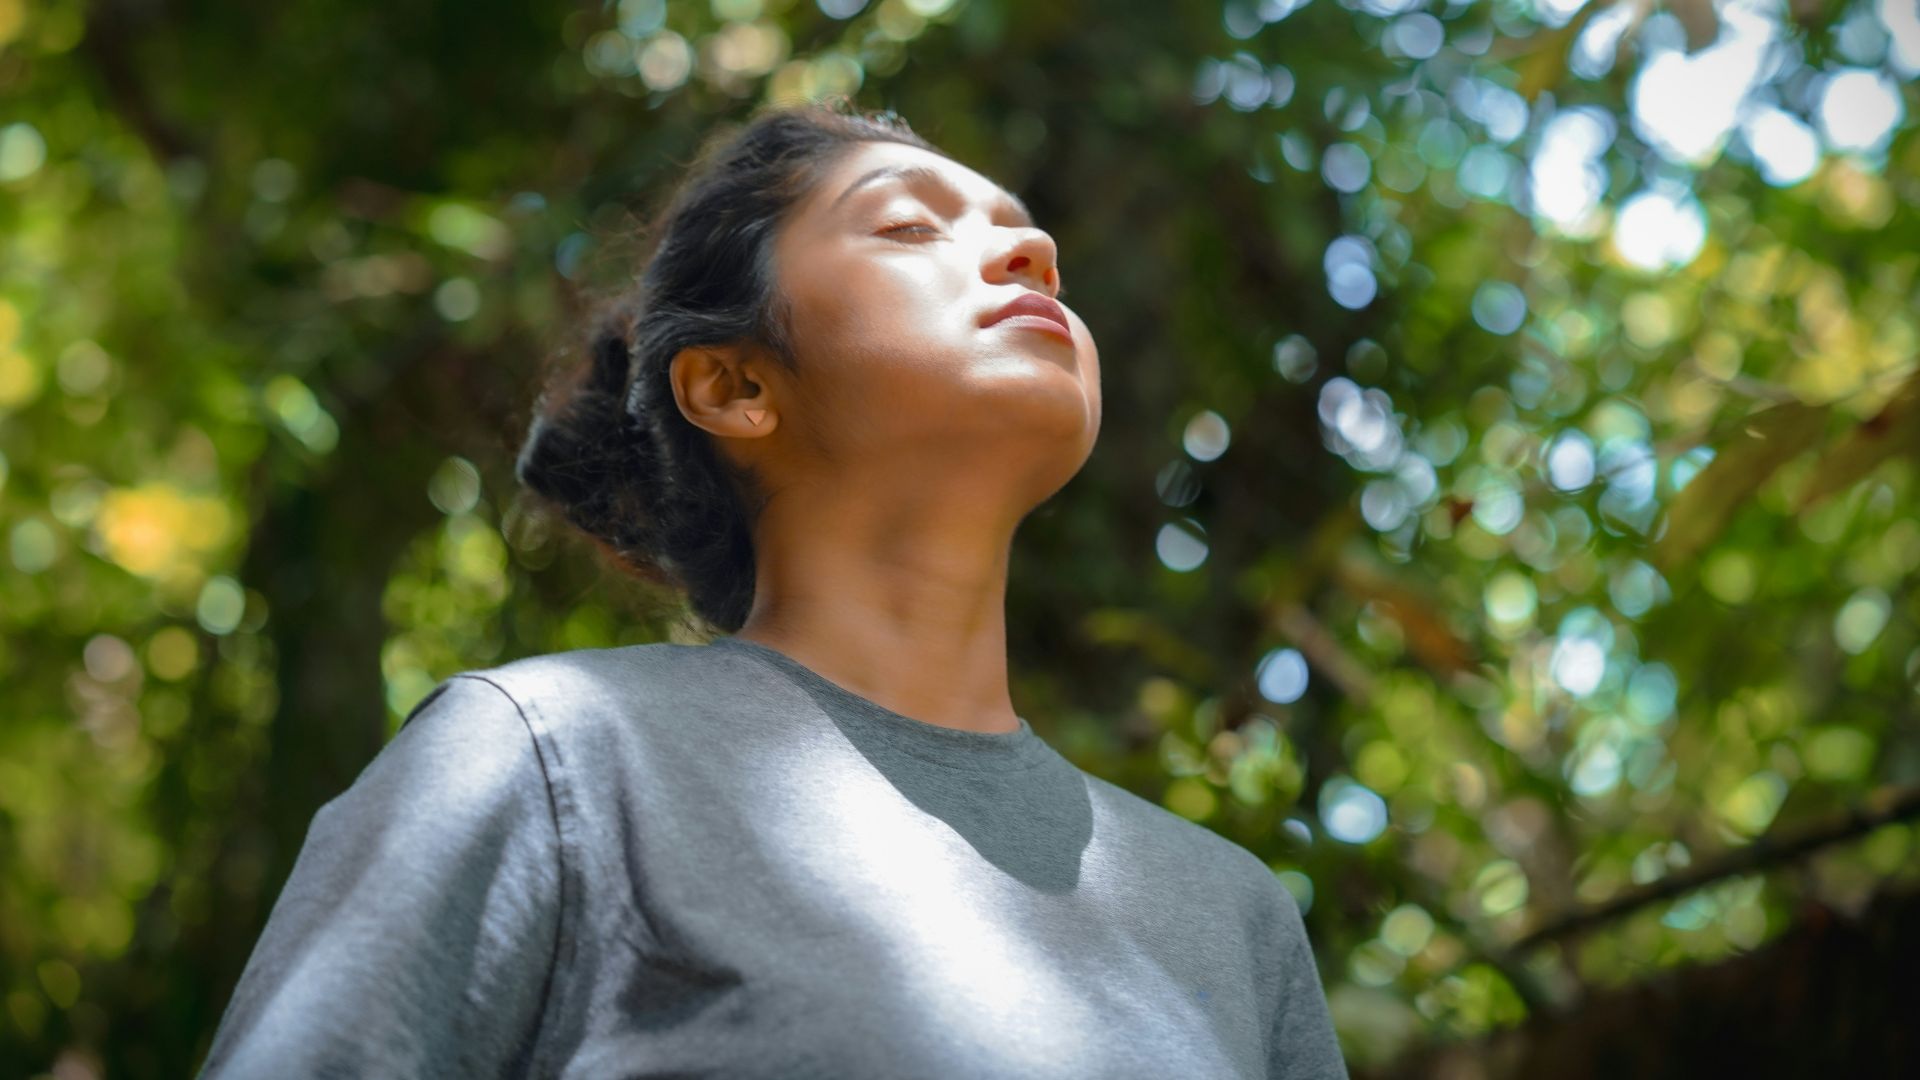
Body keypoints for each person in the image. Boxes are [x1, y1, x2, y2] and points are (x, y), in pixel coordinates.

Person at [196, 99, 1348, 1080]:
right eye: (909, 225)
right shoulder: (548, 762)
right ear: (738, 386)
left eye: (1027, 235)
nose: (1031, 251)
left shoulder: (1230, 916)